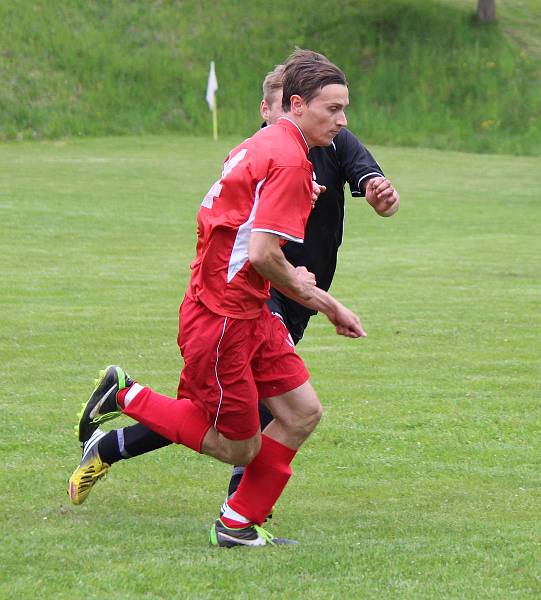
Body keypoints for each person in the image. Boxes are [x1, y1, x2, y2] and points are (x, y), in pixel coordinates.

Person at [69, 63, 399, 520]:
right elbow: (263, 253)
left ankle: (238, 522)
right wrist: (328, 303)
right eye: (334, 109)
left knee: (301, 412)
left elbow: (238, 233)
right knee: (240, 443)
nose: (343, 120)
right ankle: (127, 398)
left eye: (344, 109)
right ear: (296, 107)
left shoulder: (263, 146)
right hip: (226, 314)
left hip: (249, 305)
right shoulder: (287, 160)